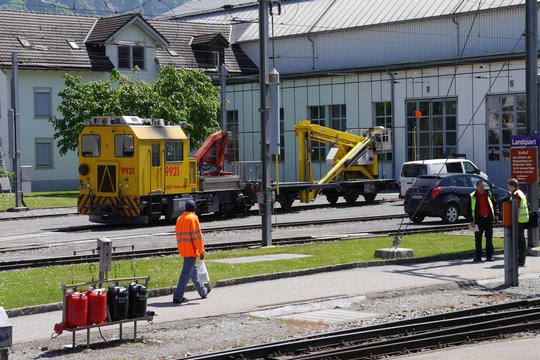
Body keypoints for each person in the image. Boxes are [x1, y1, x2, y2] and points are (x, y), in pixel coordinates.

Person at [173, 200, 210, 304]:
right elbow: (197, 236)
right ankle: (177, 296)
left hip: (183, 249)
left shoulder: (180, 218)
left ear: (185, 208)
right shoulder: (193, 218)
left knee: (193, 271)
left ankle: (203, 292)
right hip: (191, 250)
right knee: (185, 274)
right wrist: (201, 251)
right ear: (194, 209)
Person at [469, 180, 499, 262]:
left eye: (484, 187)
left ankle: (489, 256)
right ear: (477, 187)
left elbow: (495, 204)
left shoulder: (488, 194)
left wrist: (496, 214)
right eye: (481, 187)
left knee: (489, 238)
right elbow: (468, 210)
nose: (483, 189)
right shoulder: (472, 196)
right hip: (477, 220)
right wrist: (471, 220)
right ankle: (478, 257)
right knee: (478, 239)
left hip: (488, 219)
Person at [507, 178, 529, 267]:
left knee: (519, 241)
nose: (508, 187)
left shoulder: (516, 195)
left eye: (508, 186)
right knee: (521, 240)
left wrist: (514, 219)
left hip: (518, 220)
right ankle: (522, 259)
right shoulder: (520, 193)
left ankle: (521, 260)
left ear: (512, 186)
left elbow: (518, 208)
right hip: (522, 219)